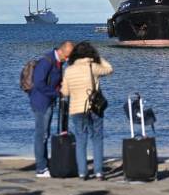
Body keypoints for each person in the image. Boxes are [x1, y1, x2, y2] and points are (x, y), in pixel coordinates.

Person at [61, 41, 113, 180]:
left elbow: (65, 92)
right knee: (97, 138)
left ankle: (82, 172)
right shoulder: (93, 66)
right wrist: (98, 57)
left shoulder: (69, 70)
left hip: (76, 109)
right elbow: (109, 69)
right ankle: (98, 171)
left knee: (80, 139)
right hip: (94, 107)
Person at [30, 41, 73, 178]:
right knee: (41, 135)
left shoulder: (58, 61)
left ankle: (44, 164)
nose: (67, 59)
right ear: (60, 51)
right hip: (41, 102)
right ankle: (41, 168)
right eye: (66, 56)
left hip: (48, 101)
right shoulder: (46, 61)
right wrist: (56, 93)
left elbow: (54, 80)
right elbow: (38, 83)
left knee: (45, 134)